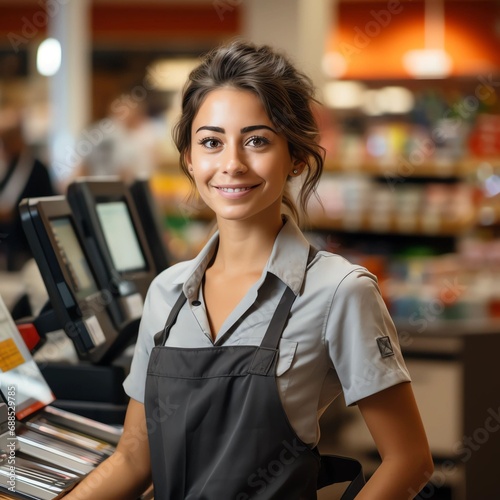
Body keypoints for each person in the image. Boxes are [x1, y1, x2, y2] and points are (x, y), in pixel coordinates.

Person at [65, 40, 433, 499]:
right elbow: (134, 460)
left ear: (297, 156)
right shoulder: (166, 294)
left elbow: (409, 461)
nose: (232, 164)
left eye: (257, 140)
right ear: (189, 159)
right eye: (211, 143)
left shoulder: (340, 291)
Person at [0, 106, 56, 271]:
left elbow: (8, 209)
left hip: (26, 251)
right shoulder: (10, 165)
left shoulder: (33, 167)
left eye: (5, 141)